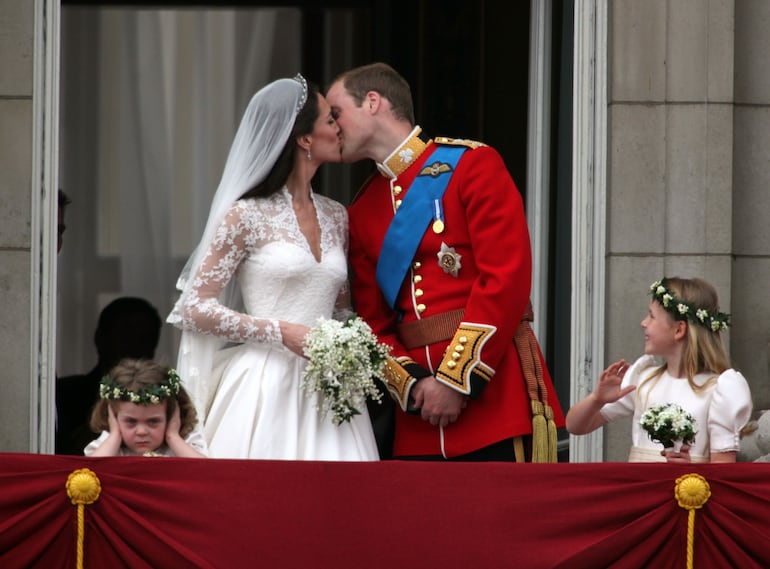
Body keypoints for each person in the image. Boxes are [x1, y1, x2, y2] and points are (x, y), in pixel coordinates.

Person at [325, 62, 565, 461]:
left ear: (372, 102)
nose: (332, 128)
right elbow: (373, 322)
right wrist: (414, 386)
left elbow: (505, 280)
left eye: (336, 114)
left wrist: (455, 381)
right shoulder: (363, 208)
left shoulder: (472, 165)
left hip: (494, 399)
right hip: (418, 419)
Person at [167, 75, 379, 461]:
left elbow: (340, 309)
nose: (339, 127)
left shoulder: (336, 215)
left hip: (331, 387)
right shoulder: (245, 215)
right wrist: (281, 332)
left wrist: (352, 344)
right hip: (265, 384)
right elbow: (195, 308)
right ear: (304, 138)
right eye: (330, 120)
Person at [566, 277, 753, 463]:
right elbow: (575, 427)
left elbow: (723, 470)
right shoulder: (643, 379)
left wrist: (690, 471)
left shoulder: (718, 390)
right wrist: (596, 399)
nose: (643, 323)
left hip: (688, 491)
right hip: (640, 489)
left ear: (679, 330)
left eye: (652, 316)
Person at [56, 296, 163, 455]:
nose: (134, 345)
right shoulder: (67, 393)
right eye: (126, 336)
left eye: (144, 337)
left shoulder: (163, 399)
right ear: (100, 338)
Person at [85, 359, 207, 457]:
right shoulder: (108, 446)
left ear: (171, 417)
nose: (142, 432)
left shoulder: (184, 444)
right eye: (131, 421)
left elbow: (207, 472)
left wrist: (173, 437)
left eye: (153, 421)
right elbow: (90, 472)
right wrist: (115, 435)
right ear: (113, 418)